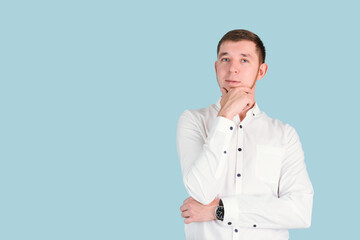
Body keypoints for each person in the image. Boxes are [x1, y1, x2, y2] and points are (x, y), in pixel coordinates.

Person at [176, 29, 314, 240]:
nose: (233, 69)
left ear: (261, 71)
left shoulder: (284, 134)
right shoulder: (193, 120)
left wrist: (219, 210)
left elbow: (300, 212)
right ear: (216, 67)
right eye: (225, 59)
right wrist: (225, 116)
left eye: (244, 60)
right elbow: (201, 191)